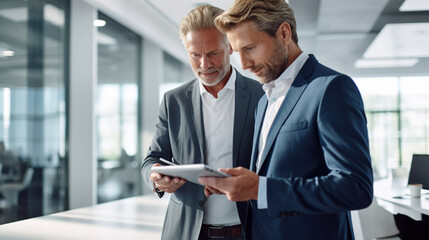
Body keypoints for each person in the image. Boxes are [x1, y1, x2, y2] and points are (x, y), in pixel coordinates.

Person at [198, 0, 374, 239]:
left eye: (250, 48)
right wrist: (238, 185)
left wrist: (260, 188)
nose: (244, 64)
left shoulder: (331, 89)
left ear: (284, 33)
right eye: (237, 52)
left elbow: (355, 188)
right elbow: (275, 173)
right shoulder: (264, 102)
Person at [140, 4, 264, 240]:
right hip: (188, 232)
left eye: (213, 53)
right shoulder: (173, 101)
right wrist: (156, 178)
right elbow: (151, 159)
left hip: (248, 231)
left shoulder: (261, 96)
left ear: (229, 46)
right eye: (195, 55)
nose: (204, 65)